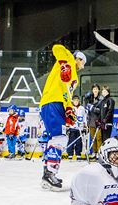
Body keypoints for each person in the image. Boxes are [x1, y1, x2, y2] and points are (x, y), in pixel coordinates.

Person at [39, 45, 86, 189]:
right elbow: (57, 48)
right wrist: (65, 63)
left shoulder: (75, 78)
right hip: (51, 101)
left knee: (57, 139)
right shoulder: (69, 59)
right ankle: (49, 174)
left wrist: (69, 110)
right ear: (79, 59)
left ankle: (48, 173)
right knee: (60, 138)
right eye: (83, 62)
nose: (83, 66)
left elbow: (67, 94)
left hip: (59, 104)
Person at [66, 95, 87, 160]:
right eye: (74, 100)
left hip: (79, 128)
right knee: (71, 140)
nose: (76, 101)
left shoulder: (82, 108)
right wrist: (67, 125)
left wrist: (85, 125)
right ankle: (70, 154)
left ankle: (78, 154)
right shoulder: (71, 108)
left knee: (79, 141)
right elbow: (68, 117)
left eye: (77, 100)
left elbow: (84, 117)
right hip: (72, 127)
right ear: (72, 101)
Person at [85, 83, 103, 158]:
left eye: (96, 89)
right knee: (93, 138)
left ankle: (100, 152)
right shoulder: (90, 98)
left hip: (98, 120)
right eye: (94, 89)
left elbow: (102, 110)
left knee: (99, 137)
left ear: (98, 90)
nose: (95, 90)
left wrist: (94, 109)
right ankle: (94, 152)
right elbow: (86, 107)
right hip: (91, 120)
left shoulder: (101, 98)